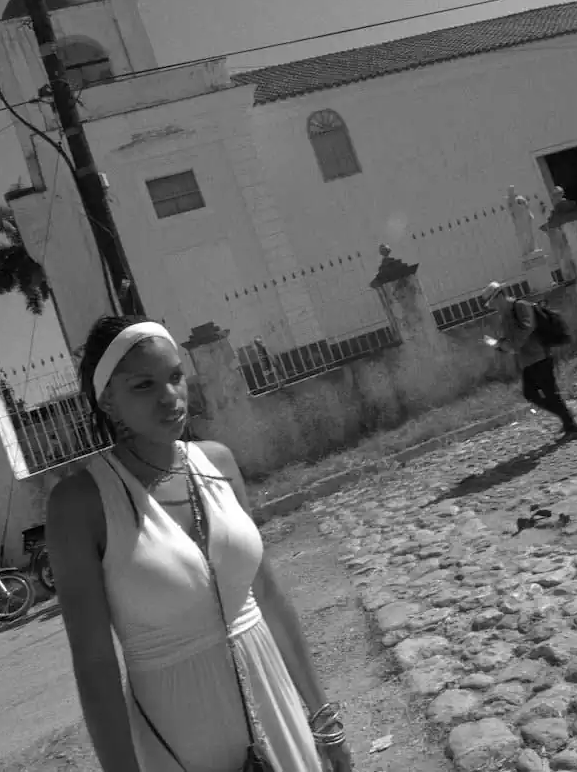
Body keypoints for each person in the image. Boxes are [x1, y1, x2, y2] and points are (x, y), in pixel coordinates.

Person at [47, 316, 352, 772]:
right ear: (107, 399)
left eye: (175, 376)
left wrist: (324, 719)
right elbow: (95, 664)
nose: (170, 397)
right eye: (144, 385)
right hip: (178, 736)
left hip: (276, 709)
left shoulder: (218, 463)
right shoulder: (80, 504)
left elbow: (269, 597)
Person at [482, 282, 577, 439]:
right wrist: (499, 345)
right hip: (527, 361)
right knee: (530, 394)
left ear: (500, 296)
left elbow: (526, 330)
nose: (493, 307)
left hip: (540, 356)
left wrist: (505, 344)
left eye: (493, 302)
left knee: (550, 394)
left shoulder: (521, 306)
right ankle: (566, 415)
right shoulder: (504, 318)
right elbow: (509, 341)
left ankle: (571, 426)